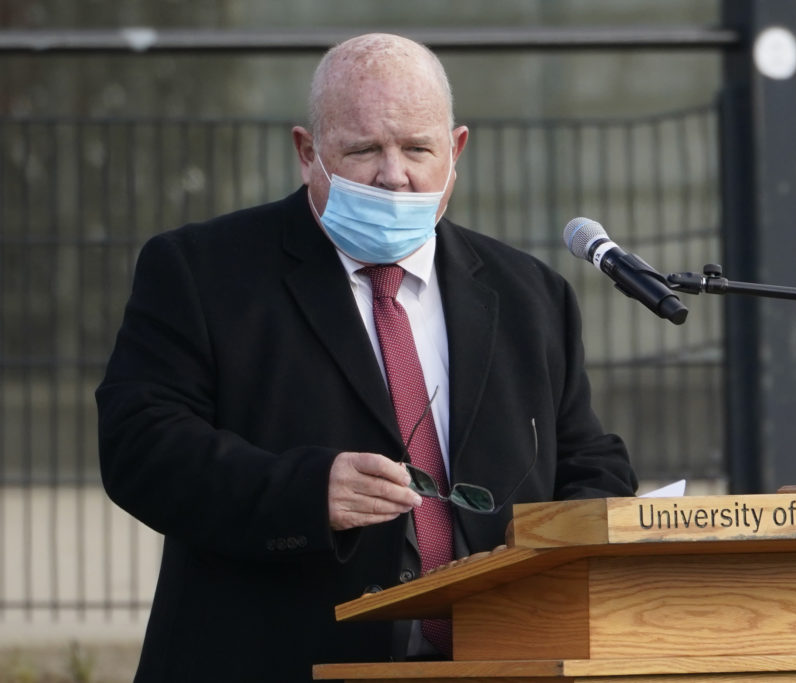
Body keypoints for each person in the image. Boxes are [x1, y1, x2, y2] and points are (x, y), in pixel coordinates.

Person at [96, 32, 637, 681]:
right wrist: (304, 492)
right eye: (363, 150)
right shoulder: (202, 271)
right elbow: (139, 447)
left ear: (456, 151)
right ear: (307, 152)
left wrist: (566, 535)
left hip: (497, 661)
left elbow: (588, 458)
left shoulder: (529, 293)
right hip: (280, 659)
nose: (394, 173)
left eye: (416, 148)